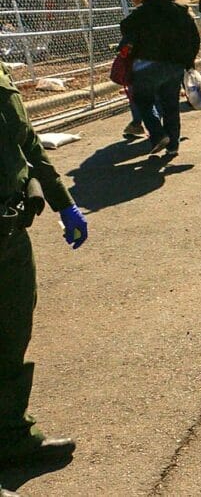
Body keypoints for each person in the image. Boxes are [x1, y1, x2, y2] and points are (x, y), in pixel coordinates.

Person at [0, 63, 88, 472]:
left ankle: (13, 438)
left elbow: (27, 143)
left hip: (10, 235)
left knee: (11, 337)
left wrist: (62, 200)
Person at [119, 0, 200, 156]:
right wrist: (188, 62)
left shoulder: (146, 9)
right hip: (175, 66)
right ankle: (173, 146)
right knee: (171, 105)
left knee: (143, 100)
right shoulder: (182, 11)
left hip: (148, 64)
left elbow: (125, 26)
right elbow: (194, 38)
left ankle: (158, 134)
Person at [122, 0, 159, 139]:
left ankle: (143, 125)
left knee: (137, 94)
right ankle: (141, 124)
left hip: (143, 59)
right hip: (158, 59)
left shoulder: (141, 13)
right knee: (154, 94)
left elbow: (125, 27)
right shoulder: (160, 11)